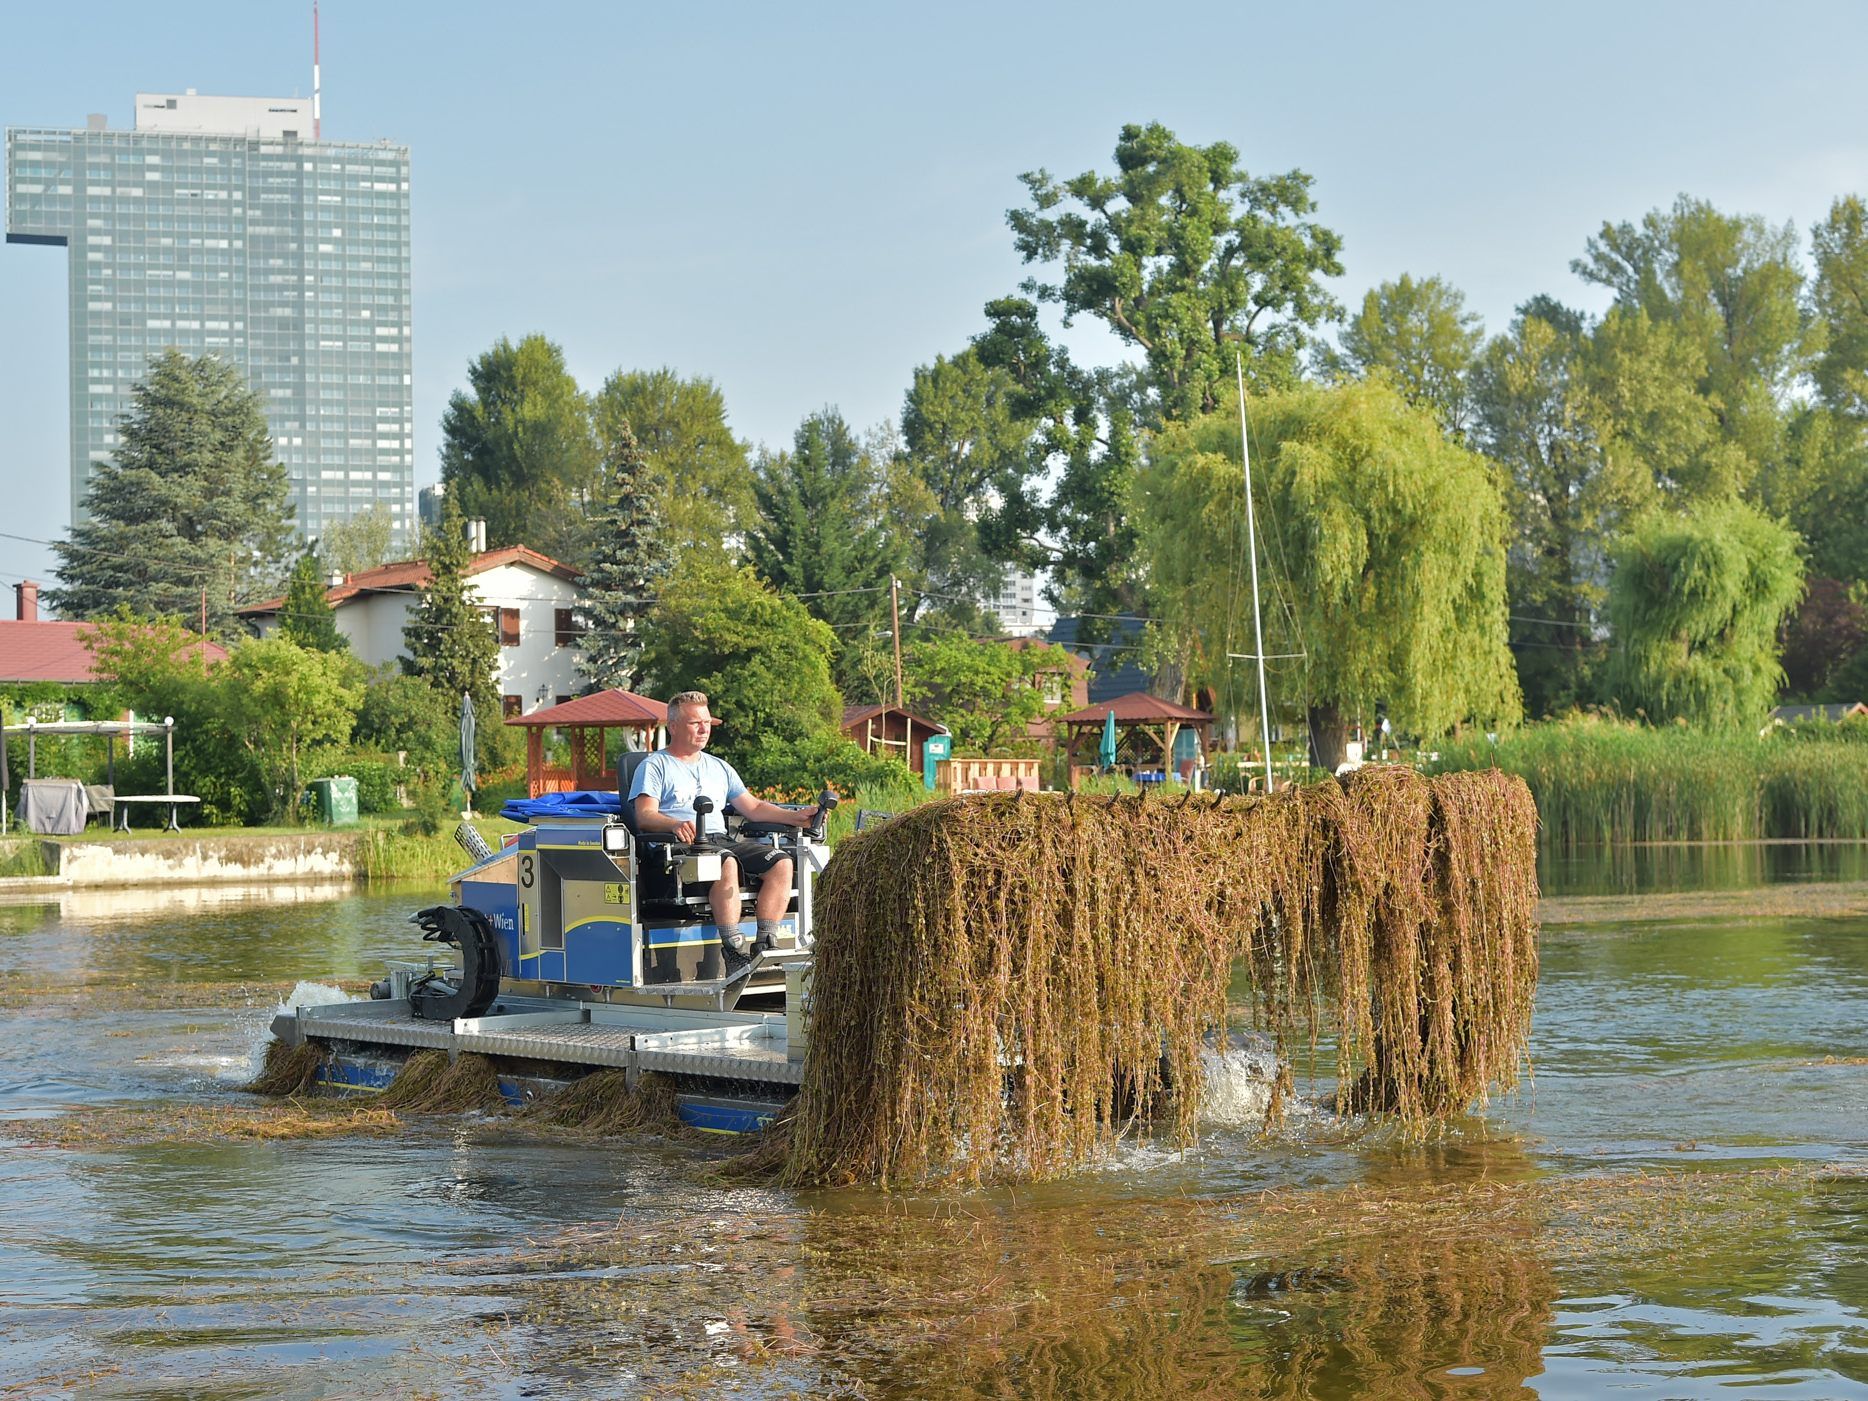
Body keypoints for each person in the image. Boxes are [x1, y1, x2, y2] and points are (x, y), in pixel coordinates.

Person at [627, 690, 815, 961]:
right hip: (677, 849)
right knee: (725, 861)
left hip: (720, 841)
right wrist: (674, 824)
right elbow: (644, 816)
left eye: (707, 722)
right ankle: (732, 949)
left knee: (781, 863)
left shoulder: (719, 767)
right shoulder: (655, 765)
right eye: (695, 723)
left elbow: (753, 808)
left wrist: (797, 816)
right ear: (674, 727)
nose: (704, 729)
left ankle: (765, 943)